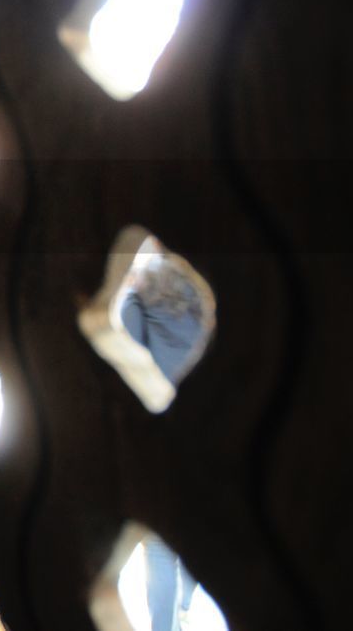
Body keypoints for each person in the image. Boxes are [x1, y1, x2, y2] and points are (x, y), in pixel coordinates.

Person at [120, 249, 207, 631]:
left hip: (157, 437)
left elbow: (127, 368)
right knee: (192, 527)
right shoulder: (204, 307)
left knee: (158, 545)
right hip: (202, 432)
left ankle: (163, 626)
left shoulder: (136, 306)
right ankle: (186, 606)